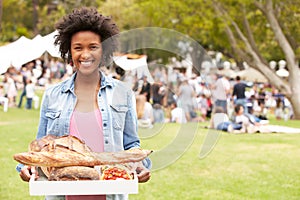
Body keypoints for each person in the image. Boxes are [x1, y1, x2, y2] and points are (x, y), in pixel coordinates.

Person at [16, 7, 151, 200]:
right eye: (78, 47)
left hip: (110, 192)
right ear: (69, 52)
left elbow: (131, 144)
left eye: (93, 47)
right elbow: (40, 148)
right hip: (61, 193)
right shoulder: (52, 95)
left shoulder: (123, 94)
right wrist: (27, 167)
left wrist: (140, 165)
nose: (85, 54)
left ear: (104, 49)